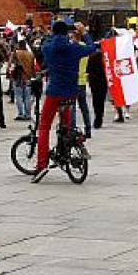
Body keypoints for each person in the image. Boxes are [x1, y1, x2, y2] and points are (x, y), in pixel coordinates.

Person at [31, 21, 97, 183]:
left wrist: (50, 35)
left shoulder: (48, 48)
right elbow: (91, 48)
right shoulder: (74, 47)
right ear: (67, 32)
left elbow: (43, 44)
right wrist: (84, 33)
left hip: (54, 92)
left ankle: (41, 164)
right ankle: (66, 149)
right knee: (66, 124)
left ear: (53, 32)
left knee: (44, 127)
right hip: (71, 92)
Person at [86, 48, 108, 129]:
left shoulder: (91, 57)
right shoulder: (106, 58)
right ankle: (100, 118)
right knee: (101, 101)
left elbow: (87, 70)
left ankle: (97, 118)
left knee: (95, 100)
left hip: (94, 82)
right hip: (103, 81)